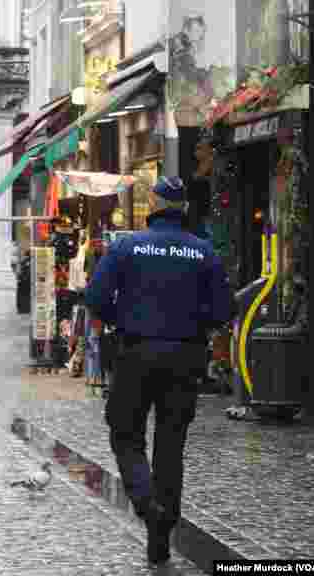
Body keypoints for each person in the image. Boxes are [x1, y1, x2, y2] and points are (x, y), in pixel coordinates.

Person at [85, 176, 231, 567]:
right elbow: (222, 311)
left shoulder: (127, 246)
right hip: (186, 357)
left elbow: (96, 298)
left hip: (135, 353)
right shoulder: (204, 252)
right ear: (183, 208)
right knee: (171, 445)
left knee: (126, 433)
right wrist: (193, 324)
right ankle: (160, 538)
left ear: (153, 205)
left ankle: (147, 502)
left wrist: (123, 319)